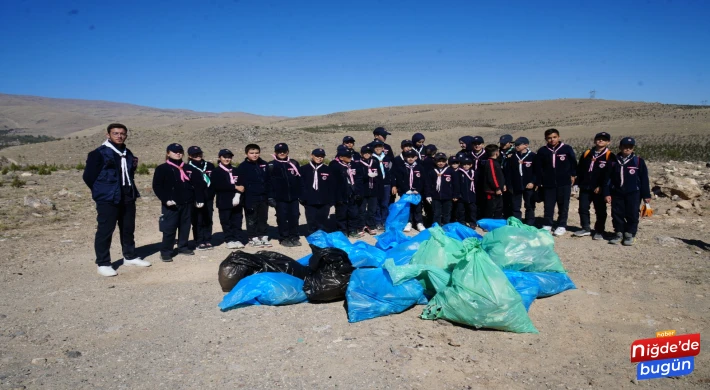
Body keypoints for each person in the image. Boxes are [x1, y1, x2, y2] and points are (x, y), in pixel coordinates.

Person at [83, 123, 150, 276]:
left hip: (127, 195)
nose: (119, 136)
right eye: (115, 133)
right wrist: (101, 191)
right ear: (108, 135)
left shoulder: (128, 152)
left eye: (122, 133)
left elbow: (130, 173)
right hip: (108, 198)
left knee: (128, 228)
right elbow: (88, 176)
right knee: (105, 230)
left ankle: (130, 256)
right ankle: (103, 262)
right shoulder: (98, 153)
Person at [152, 143, 196, 261]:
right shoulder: (162, 168)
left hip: (187, 202)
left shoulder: (188, 168)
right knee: (169, 228)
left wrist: (196, 198)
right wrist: (165, 199)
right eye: (174, 151)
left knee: (185, 226)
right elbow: (157, 186)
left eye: (180, 151)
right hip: (171, 204)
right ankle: (166, 251)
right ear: (168, 153)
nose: (178, 153)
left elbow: (195, 184)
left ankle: (183, 246)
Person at [604, 137, 651, 246]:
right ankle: (619, 232)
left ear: (633, 148)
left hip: (633, 192)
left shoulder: (638, 161)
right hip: (617, 192)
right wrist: (607, 193)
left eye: (630, 147)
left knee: (633, 213)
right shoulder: (613, 161)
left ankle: (630, 233)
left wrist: (646, 195)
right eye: (625, 146)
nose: (627, 149)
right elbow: (607, 179)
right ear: (620, 147)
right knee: (617, 213)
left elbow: (644, 179)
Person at [534, 128, 577, 236]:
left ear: (558, 137)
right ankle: (548, 224)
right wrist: (538, 182)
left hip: (564, 182)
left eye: (554, 137)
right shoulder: (542, 151)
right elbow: (538, 167)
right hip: (548, 183)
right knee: (548, 205)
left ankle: (562, 225)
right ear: (545, 139)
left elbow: (573, 163)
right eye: (549, 138)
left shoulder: (566, 149)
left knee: (563, 205)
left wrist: (573, 175)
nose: (552, 140)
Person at [574, 132, 615, 239]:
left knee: (600, 210)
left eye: (604, 139)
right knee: (583, 208)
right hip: (585, 186)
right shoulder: (587, 153)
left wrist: (602, 186)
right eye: (599, 139)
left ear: (608, 142)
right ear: (595, 140)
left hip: (599, 189)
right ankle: (585, 228)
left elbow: (610, 174)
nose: (600, 141)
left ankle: (599, 231)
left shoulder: (610, 156)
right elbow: (580, 169)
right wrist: (577, 182)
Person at [235, 144, 272, 248]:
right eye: (252, 153)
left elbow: (269, 180)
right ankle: (252, 237)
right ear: (247, 154)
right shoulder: (243, 166)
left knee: (263, 217)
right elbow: (241, 182)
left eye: (256, 153)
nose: (254, 155)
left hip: (263, 197)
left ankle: (263, 236)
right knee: (251, 218)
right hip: (250, 197)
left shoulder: (264, 164)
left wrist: (270, 195)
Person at [268, 143, 303, 247]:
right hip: (280, 198)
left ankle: (294, 236)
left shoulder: (294, 163)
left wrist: (301, 194)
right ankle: (284, 237)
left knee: (295, 216)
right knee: (282, 218)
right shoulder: (271, 165)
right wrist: (270, 197)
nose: (282, 153)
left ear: (287, 152)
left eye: (284, 151)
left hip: (293, 197)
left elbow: (299, 180)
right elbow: (268, 183)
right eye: (279, 151)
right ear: (275, 153)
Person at [211, 148, 246, 249]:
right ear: (220, 158)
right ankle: (229, 239)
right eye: (224, 157)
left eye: (229, 157)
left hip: (237, 199)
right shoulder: (216, 171)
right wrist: (234, 187)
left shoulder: (236, 170)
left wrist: (239, 193)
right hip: (224, 200)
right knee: (226, 221)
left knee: (237, 220)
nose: (227, 159)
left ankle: (238, 238)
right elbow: (218, 185)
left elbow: (241, 183)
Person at [329, 146, 364, 237]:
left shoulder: (354, 164)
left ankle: (352, 230)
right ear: (341, 157)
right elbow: (333, 182)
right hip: (341, 194)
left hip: (353, 192)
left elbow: (359, 178)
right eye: (347, 156)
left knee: (353, 213)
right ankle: (342, 231)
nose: (350, 158)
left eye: (350, 156)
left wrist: (358, 191)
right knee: (342, 214)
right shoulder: (334, 165)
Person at [185, 146, 215, 250]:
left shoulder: (209, 165)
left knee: (208, 219)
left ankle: (207, 239)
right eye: (194, 154)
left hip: (208, 197)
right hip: (195, 198)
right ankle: (199, 241)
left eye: (199, 153)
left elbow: (214, 180)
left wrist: (212, 193)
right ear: (189, 156)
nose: (197, 156)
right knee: (198, 220)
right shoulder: (187, 167)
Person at [503, 137, 537, 226]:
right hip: (516, 185)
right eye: (515, 145)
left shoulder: (533, 156)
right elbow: (508, 172)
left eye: (518, 144)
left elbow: (537, 171)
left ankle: (530, 221)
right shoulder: (512, 156)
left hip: (528, 185)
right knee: (515, 205)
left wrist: (533, 182)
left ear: (526, 145)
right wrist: (508, 184)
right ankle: (517, 222)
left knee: (529, 204)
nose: (516, 146)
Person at [299, 148, 332, 235]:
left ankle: (322, 237)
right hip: (309, 200)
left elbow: (332, 186)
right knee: (311, 219)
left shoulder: (327, 169)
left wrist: (330, 200)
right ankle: (313, 236)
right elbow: (300, 185)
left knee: (323, 220)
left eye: (322, 156)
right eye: (317, 156)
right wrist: (302, 198)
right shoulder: (303, 169)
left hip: (324, 201)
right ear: (312, 156)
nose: (319, 158)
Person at [392, 149, 426, 232]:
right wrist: (406, 189)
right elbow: (400, 180)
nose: (410, 159)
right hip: (406, 192)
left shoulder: (420, 167)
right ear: (405, 158)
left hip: (416, 192)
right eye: (408, 157)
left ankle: (419, 222)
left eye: (412, 157)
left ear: (416, 157)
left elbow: (422, 180)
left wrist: (418, 190)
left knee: (418, 207)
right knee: (407, 207)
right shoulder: (401, 168)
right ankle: (409, 222)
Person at [425, 152, 459, 225]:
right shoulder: (431, 171)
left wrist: (455, 195)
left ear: (446, 161)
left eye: (443, 161)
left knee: (446, 213)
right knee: (436, 213)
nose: (441, 163)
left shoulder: (450, 171)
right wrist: (428, 195)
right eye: (439, 161)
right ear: (435, 161)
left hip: (448, 196)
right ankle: (436, 227)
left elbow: (455, 184)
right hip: (435, 196)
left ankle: (446, 226)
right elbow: (428, 184)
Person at [358, 145, 382, 234]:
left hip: (373, 189)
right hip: (363, 190)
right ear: (361, 154)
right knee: (362, 210)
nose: (367, 154)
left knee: (372, 209)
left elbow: (379, 176)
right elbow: (357, 177)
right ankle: (361, 226)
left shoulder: (375, 162)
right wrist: (366, 176)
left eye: (369, 153)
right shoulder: (358, 163)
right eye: (365, 153)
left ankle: (370, 225)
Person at [371, 140, 393, 230]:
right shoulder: (371, 159)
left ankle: (384, 220)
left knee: (385, 204)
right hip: (376, 184)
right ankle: (377, 221)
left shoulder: (387, 158)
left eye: (380, 146)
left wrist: (393, 184)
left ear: (383, 148)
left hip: (386, 184)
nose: (378, 148)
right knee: (377, 204)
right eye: (376, 147)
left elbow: (391, 171)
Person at [480, 145, 505, 219]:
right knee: (491, 208)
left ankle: (496, 223)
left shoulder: (495, 162)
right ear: (496, 152)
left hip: (498, 190)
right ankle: (488, 224)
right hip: (492, 190)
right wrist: (497, 187)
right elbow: (492, 176)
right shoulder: (490, 162)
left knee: (499, 207)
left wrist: (502, 185)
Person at [455, 156, 477, 228]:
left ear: (471, 165)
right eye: (464, 164)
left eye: (468, 164)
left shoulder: (474, 173)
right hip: (462, 195)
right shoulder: (458, 173)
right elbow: (456, 184)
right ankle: (462, 222)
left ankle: (472, 222)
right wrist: (458, 194)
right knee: (461, 210)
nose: (466, 166)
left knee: (472, 210)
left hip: (472, 195)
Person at [498, 134, 515, 218]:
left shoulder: (514, 151)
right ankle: (504, 215)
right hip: (501, 177)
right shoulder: (498, 152)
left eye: (504, 143)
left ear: (510, 143)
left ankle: (512, 216)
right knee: (503, 199)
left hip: (511, 179)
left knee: (512, 199)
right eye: (501, 143)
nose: (502, 145)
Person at [448, 155, 461, 222]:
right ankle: (451, 220)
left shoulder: (461, 172)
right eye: (453, 163)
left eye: (456, 163)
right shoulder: (447, 171)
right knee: (450, 208)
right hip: (450, 193)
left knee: (459, 208)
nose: (454, 165)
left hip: (459, 193)